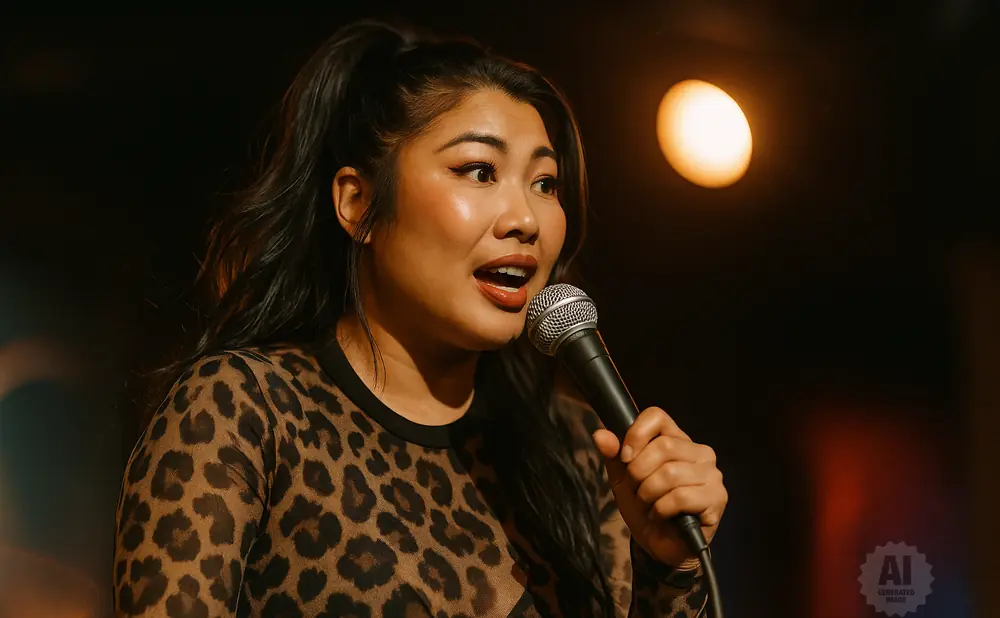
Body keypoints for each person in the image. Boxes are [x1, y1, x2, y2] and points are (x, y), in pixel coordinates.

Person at [113, 19, 728, 618]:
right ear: (359, 204)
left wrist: (667, 566)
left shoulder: (577, 451)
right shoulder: (243, 409)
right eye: (478, 171)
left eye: (545, 183)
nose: (526, 219)